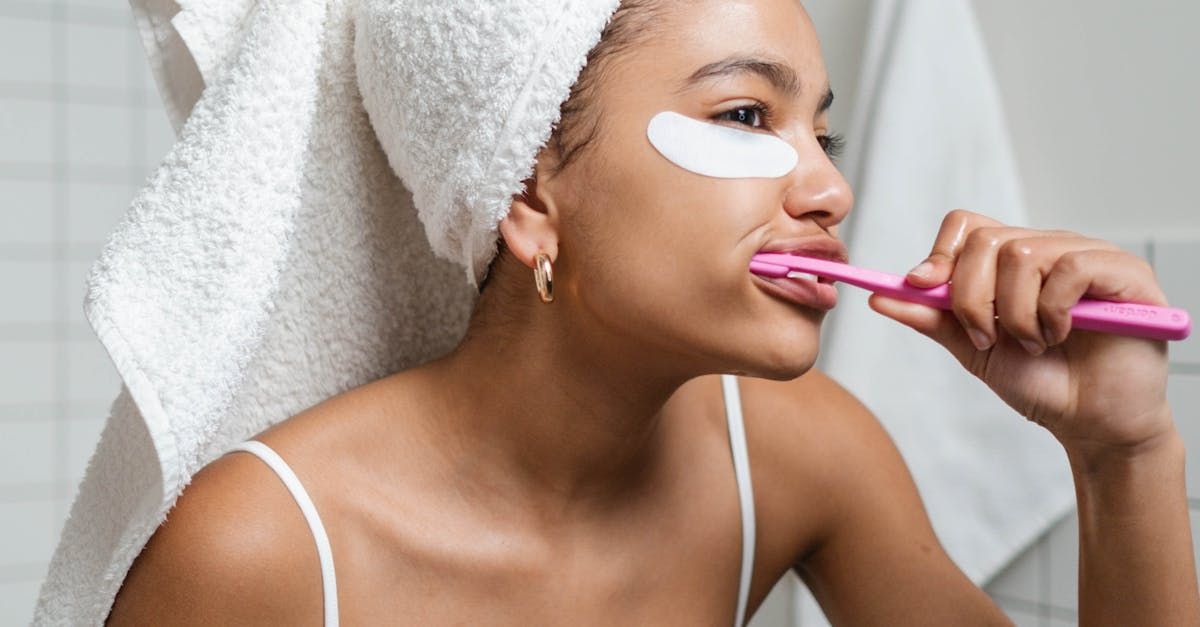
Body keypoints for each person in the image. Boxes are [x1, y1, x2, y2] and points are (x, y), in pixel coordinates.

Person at [106, 0, 1198, 624]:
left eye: (824, 132)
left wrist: (1124, 451)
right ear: (529, 194)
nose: (828, 188)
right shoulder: (256, 553)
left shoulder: (798, 456)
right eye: (743, 113)